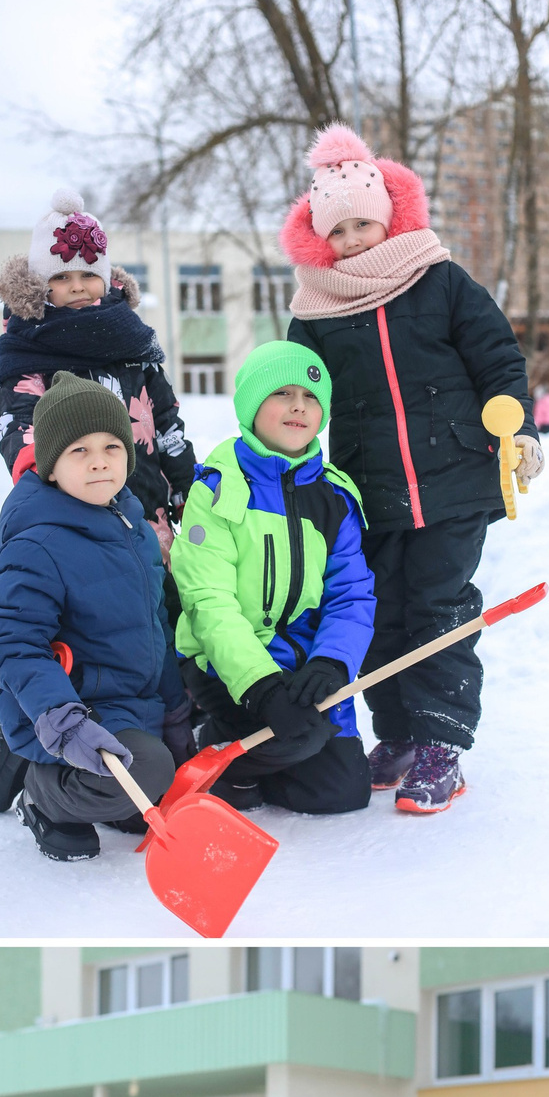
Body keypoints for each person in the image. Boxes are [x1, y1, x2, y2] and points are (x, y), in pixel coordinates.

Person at [280, 125, 538, 813]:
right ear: (320, 240)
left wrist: (518, 430)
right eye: (339, 232)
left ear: (390, 217)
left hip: (455, 480)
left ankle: (441, 745)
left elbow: (497, 361)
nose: (355, 240)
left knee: (438, 609)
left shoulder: (440, 280)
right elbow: (296, 396)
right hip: (369, 493)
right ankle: (396, 735)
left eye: (364, 223)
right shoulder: (316, 311)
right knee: (380, 615)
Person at [0, 375, 190, 861]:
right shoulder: (36, 543)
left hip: (126, 704)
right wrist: (63, 721)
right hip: (70, 710)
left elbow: (154, 623)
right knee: (148, 772)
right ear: (51, 467)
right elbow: (14, 646)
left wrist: (177, 708)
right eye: (79, 451)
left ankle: (102, 784)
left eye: (112, 446)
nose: (99, 460)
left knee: (162, 781)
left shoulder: (134, 528)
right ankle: (42, 791)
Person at [168, 342, 376, 813]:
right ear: (251, 405)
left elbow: (352, 594)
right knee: (297, 739)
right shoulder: (218, 490)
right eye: (282, 392)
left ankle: (254, 771)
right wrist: (260, 685)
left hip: (302, 660)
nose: (299, 404)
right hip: (225, 664)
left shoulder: (334, 495)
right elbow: (207, 600)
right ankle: (210, 738)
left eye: (311, 395)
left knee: (341, 792)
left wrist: (332, 663)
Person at [0, 189, 193, 516]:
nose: (77, 286)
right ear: (39, 285)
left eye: (88, 274)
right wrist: (44, 487)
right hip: (74, 508)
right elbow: (19, 423)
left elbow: (167, 420)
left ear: (105, 278)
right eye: (60, 277)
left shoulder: (129, 337)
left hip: (147, 507)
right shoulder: (28, 346)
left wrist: (185, 485)